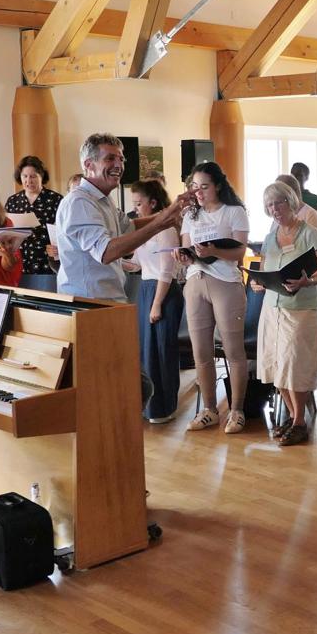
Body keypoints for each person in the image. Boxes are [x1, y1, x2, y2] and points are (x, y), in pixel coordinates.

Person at [55, 133, 194, 303]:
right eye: (110, 159)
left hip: (106, 298)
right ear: (89, 165)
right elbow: (105, 252)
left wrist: (169, 211)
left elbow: (129, 227)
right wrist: (160, 224)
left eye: (121, 159)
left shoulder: (103, 198)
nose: (118, 165)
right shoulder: (80, 202)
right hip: (88, 302)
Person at [179, 161, 251, 434]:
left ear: (218, 185)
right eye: (195, 187)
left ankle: (237, 409)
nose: (198, 192)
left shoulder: (234, 212)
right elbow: (187, 250)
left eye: (204, 186)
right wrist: (183, 255)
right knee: (201, 351)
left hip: (225, 282)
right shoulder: (190, 215)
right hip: (196, 281)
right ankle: (209, 408)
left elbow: (239, 253)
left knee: (233, 350)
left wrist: (215, 252)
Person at [253, 182, 317, 446]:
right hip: (272, 308)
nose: (275, 209)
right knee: (275, 363)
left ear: (291, 203)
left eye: (280, 203)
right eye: (270, 205)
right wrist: (257, 282)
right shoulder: (270, 237)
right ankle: (295, 417)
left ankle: (299, 422)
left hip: (302, 308)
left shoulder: (310, 233)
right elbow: (263, 268)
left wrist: (306, 282)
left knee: (295, 364)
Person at [130, 179, 182, 424]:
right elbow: (139, 265)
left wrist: (157, 304)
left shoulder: (167, 229)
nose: (136, 209)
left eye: (139, 204)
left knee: (162, 352)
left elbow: (166, 271)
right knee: (146, 352)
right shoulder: (146, 228)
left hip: (163, 292)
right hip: (146, 288)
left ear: (153, 202)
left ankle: (165, 407)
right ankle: (148, 407)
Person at [4, 155, 64, 290]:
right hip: (19, 261)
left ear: (42, 176)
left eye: (33, 176)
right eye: (24, 176)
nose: (28, 180)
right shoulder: (13, 201)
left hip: (47, 262)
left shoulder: (56, 199)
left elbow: (65, 231)